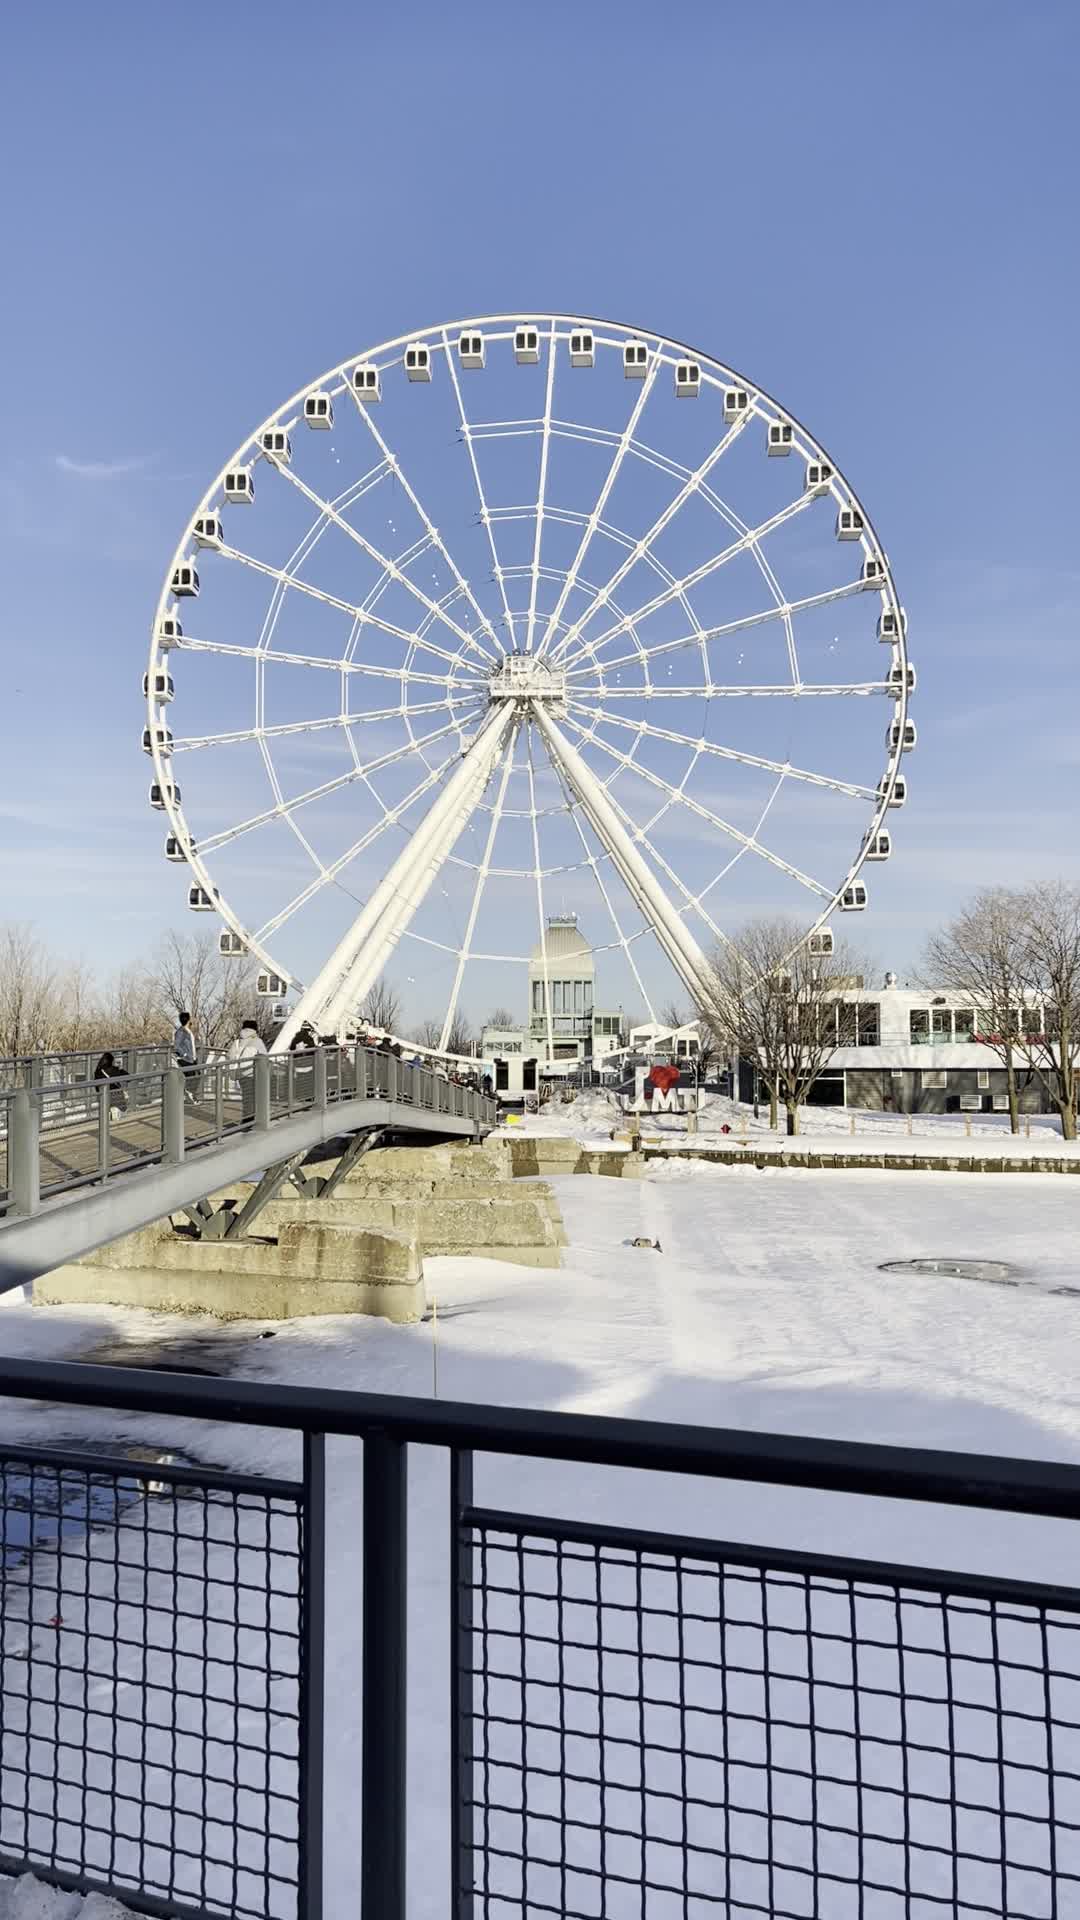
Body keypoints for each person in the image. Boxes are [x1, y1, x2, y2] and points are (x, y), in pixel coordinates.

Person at [232, 1018, 268, 1122]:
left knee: (246, 1097)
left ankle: (247, 1119)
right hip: (252, 1073)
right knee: (254, 1098)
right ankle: (249, 1121)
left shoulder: (238, 1042)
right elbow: (264, 1057)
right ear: (255, 1029)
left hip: (240, 1073)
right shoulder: (257, 1041)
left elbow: (230, 1056)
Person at [93, 1051, 129, 1119]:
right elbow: (128, 1078)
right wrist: (120, 1069)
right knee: (122, 1110)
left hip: (102, 1095)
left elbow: (97, 1087)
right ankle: (115, 1112)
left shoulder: (97, 1071)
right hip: (115, 1095)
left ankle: (109, 1115)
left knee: (107, 1113)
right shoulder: (113, 1070)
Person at [173, 1011, 198, 1101]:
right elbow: (176, 1046)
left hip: (192, 1059)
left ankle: (189, 1096)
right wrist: (185, 1054)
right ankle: (190, 1097)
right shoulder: (180, 1032)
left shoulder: (188, 1031)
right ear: (188, 1020)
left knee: (196, 1077)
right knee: (191, 1078)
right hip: (186, 1059)